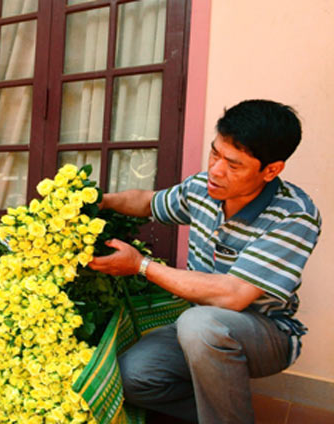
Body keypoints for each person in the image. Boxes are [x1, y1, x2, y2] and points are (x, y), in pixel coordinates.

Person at [89, 99, 321, 423]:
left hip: (267, 332)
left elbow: (233, 295)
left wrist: (140, 265)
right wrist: (101, 201)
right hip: (198, 326)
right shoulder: (204, 188)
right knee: (134, 376)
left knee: (200, 324)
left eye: (234, 164)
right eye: (215, 153)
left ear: (271, 170)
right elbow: (147, 203)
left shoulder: (294, 214)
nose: (216, 170)